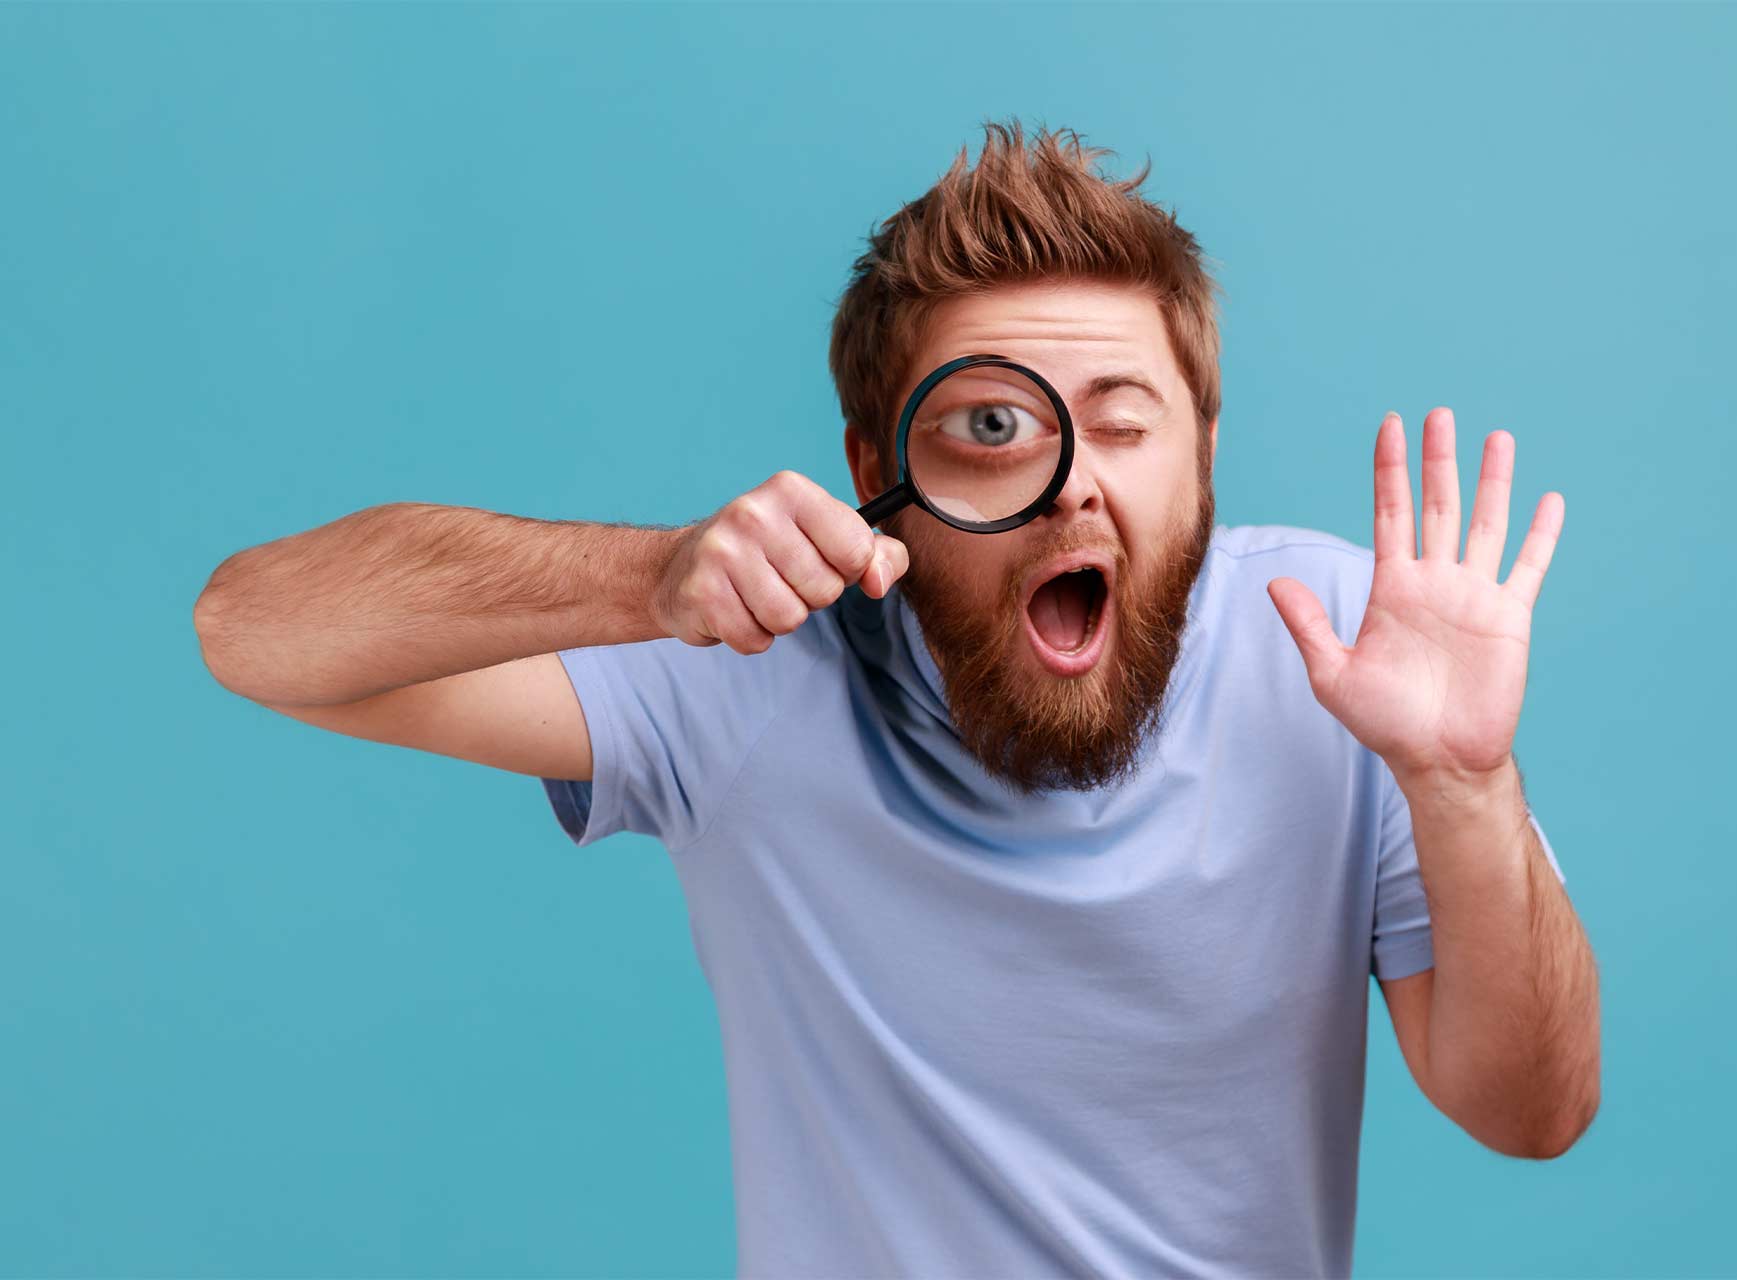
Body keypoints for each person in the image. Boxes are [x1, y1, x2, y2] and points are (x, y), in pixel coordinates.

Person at [193, 118, 1599, 1279]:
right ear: (880, 465)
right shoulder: (748, 672)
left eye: (1122, 419)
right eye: (993, 429)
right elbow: (253, 632)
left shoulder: (1346, 656)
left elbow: (1533, 1114)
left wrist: (1464, 783)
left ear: (1206, 449)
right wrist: (649, 576)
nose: (1077, 482)